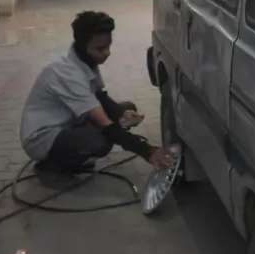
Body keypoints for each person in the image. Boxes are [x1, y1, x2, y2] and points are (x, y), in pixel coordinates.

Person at [20, 11, 172, 175]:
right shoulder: (67, 73)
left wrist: (122, 113)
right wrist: (147, 151)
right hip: (43, 137)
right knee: (99, 142)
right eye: (100, 49)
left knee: (127, 108)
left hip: (67, 121)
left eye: (108, 46)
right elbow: (104, 123)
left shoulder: (85, 59)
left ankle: (74, 150)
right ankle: (52, 164)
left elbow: (99, 96)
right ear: (82, 46)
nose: (107, 53)